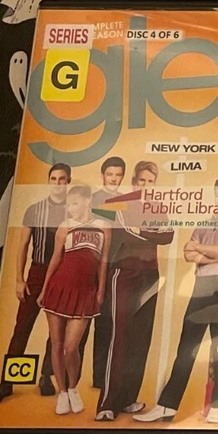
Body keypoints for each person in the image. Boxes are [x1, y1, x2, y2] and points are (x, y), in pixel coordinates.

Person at [135, 177, 218, 423]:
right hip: (200, 286)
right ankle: (167, 406)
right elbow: (188, 253)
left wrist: (202, 251)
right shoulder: (205, 222)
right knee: (186, 348)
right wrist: (212, 254)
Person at [0, 162, 70, 405]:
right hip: (37, 272)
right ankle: (7, 383)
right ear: (49, 181)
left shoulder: (74, 210)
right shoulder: (34, 209)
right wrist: (19, 279)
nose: (57, 183)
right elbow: (23, 246)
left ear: (68, 182)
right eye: (53, 179)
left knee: (56, 332)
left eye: (62, 179)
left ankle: (45, 376)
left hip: (63, 273)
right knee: (21, 328)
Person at [96, 161, 173, 421]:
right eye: (142, 181)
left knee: (141, 338)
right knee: (119, 336)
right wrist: (149, 231)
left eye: (151, 182)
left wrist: (143, 231)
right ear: (134, 181)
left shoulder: (158, 207)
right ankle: (107, 403)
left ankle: (128, 399)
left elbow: (169, 236)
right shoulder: (121, 203)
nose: (146, 186)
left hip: (150, 275)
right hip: (124, 273)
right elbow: (127, 234)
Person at [38, 185, 110, 417]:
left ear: (88, 201)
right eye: (69, 204)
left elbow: (104, 261)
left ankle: (73, 388)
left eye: (75, 203)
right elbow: (55, 258)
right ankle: (62, 393)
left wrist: (101, 289)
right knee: (57, 345)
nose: (71, 208)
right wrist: (44, 289)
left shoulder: (103, 226)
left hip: (85, 291)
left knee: (71, 348)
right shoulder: (65, 225)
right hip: (59, 287)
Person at [90, 155, 126, 391]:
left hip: (115, 266)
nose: (113, 179)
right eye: (110, 174)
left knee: (107, 322)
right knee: (80, 320)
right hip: (92, 264)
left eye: (118, 175)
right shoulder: (94, 199)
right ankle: (55, 375)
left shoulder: (124, 201)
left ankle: (100, 377)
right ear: (103, 175)